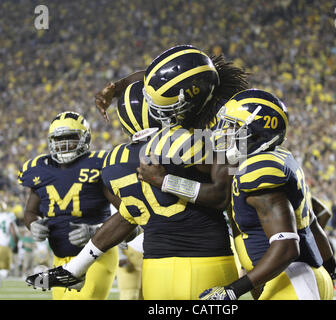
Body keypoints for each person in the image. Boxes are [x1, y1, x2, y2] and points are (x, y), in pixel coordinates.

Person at [25, 44, 249, 298]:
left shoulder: (116, 160)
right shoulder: (204, 139)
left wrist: (167, 182)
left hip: (157, 268)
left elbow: (128, 214)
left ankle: (74, 270)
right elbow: (225, 193)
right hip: (207, 260)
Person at [196, 89, 336, 300]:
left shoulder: (259, 169)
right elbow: (313, 223)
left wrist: (231, 291)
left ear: (256, 133)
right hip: (303, 278)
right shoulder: (279, 159)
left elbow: (287, 246)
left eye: (233, 126)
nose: (224, 132)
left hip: (291, 282)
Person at [19, 111, 118, 300]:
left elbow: (127, 213)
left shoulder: (98, 164)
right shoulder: (38, 169)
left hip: (96, 256)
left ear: (85, 138)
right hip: (59, 260)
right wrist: (32, 224)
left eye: (70, 138)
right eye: (58, 139)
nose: (63, 144)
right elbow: (30, 212)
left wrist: (95, 231)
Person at [0, 201, 18, 287]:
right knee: (4, 269)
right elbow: (13, 233)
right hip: (4, 246)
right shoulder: (7, 217)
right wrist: (15, 243)